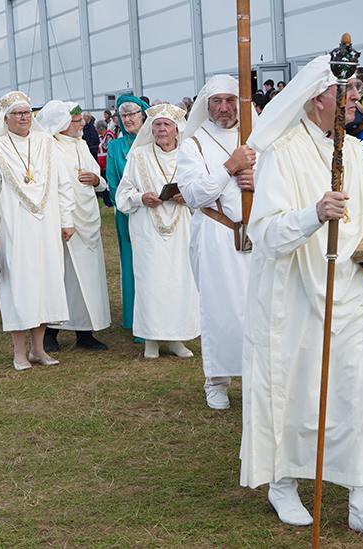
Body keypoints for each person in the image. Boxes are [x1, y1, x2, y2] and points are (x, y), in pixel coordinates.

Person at [240, 55, 363, 545]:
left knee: (361, 393)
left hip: (354, 292)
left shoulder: (356, 151)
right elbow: (266, 233)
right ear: (318, 97)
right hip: (295, 295)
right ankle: (284, 480)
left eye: (358, 90)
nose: (357, 98)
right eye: (349, 91)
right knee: (296, 389)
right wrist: (314, 214)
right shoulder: (281, 151)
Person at [0, 90, 75, 371]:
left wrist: (66, 220)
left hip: (46, 226)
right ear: (5, 119)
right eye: (17, 114)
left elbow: (63, 185)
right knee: (19, 287)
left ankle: (38, 349)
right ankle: (19, 353)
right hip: (13, 228)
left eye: (27, 113)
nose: (23, 118)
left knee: (45, 284)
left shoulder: (47, 143)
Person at [176, 74, 256, 410]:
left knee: (256, 308)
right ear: (206, 105)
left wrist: (257, 178)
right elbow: (194, 195)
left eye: (229, 100)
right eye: (216, 101)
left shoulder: (256, 137)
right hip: (215, 232)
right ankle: (217, 381)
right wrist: (230, 168)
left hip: (255, 233)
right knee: (219, 307)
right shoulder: (193, 144)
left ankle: (256, 378)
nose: (224, 108)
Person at [115, 103, 199, 359]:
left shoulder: (188, 154)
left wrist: (189, 197)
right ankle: (151, 339)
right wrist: (142, 197)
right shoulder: (139, 155)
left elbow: (202, 188)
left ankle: (176, 339)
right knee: (150, 281)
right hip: (148, 228)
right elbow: (123, 193)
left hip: (181, 227)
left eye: (166, 125)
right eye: (157, 125)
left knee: (179, 281)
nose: (161, 129)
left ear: (177, 129)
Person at [35, 100, 111, 353]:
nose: (81, 125)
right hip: (63, 220)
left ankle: (85, 332)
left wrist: (96, 179)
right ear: (62, 123)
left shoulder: (80, 144)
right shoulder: (50, 147)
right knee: (63, 276)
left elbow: (98, 178)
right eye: (76, 121)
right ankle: (50, 333)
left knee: (88, 278)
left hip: (87, 218)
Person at [106, 95, 150, 335]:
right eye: (123, 115)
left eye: (132, 113)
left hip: (156, 211)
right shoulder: (115, 147)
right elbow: (113, 183)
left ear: (143, 114)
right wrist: (128, 203)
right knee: (131, 262)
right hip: (127, 213)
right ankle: (135, 318)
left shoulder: (153, 142)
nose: (128, 119)